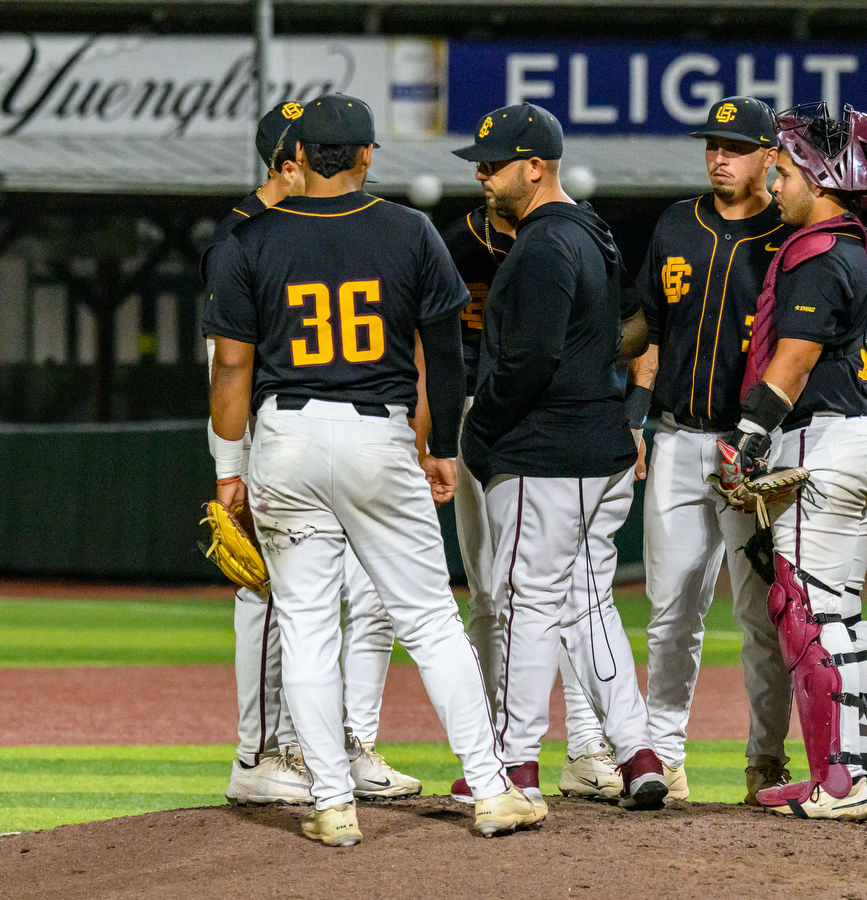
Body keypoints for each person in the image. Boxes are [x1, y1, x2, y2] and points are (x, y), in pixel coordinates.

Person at [204, 93, 541, 845]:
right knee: (429, 620)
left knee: (307, 627)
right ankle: (490, 790)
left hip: (283, 438)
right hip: (376, 437)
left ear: (297, 157)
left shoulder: (251, 241)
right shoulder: (408, 230)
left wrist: (232, 468)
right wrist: (443, 450)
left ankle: (331, 803)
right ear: (361, 155)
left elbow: (231, 364)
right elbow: (445, 351)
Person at [199, 101, 416, 808]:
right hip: (270, 433)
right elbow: (226, 367)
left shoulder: (321, 229)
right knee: (269, 594)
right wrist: (229, 465)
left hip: (330, 434)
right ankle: (259, 754)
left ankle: (338, 744)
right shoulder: (240, 238)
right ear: (284, 165)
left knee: (365, 594)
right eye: (306, 158)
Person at [454, 103, 669, 811]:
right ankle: (637, 751)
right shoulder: (595, 230)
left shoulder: (544, 245)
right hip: (601, 449)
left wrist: (482, 427)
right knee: (587, 601)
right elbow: (634, 329)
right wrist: (608, 388)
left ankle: (515, 764)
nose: (482, 175)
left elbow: (531, 359)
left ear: (536, 166)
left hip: (549, 455)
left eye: (493, 163)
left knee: (526, 605)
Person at [722, 103, 867, 820]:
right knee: (839, 616)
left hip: (825, 438)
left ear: (822, 177)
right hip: (856, 437)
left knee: (808, 612)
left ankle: (844, 780)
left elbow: (791, 364)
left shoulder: (817, 251)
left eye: (788, 167)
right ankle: (856, 772)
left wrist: (747, 441)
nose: (776, 178)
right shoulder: (861, 246)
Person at [627, 96, 794, 803]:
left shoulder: (788, 236)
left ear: (767, 157)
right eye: (711, 144)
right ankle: (664, 755)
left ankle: (767, 760)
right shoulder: (676, 223)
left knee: (760, 615)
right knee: (670, 611)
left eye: (734, 145)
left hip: (752, 452)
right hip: (676, 440)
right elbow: (650, 332)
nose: (718, 156)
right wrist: (634, 410)